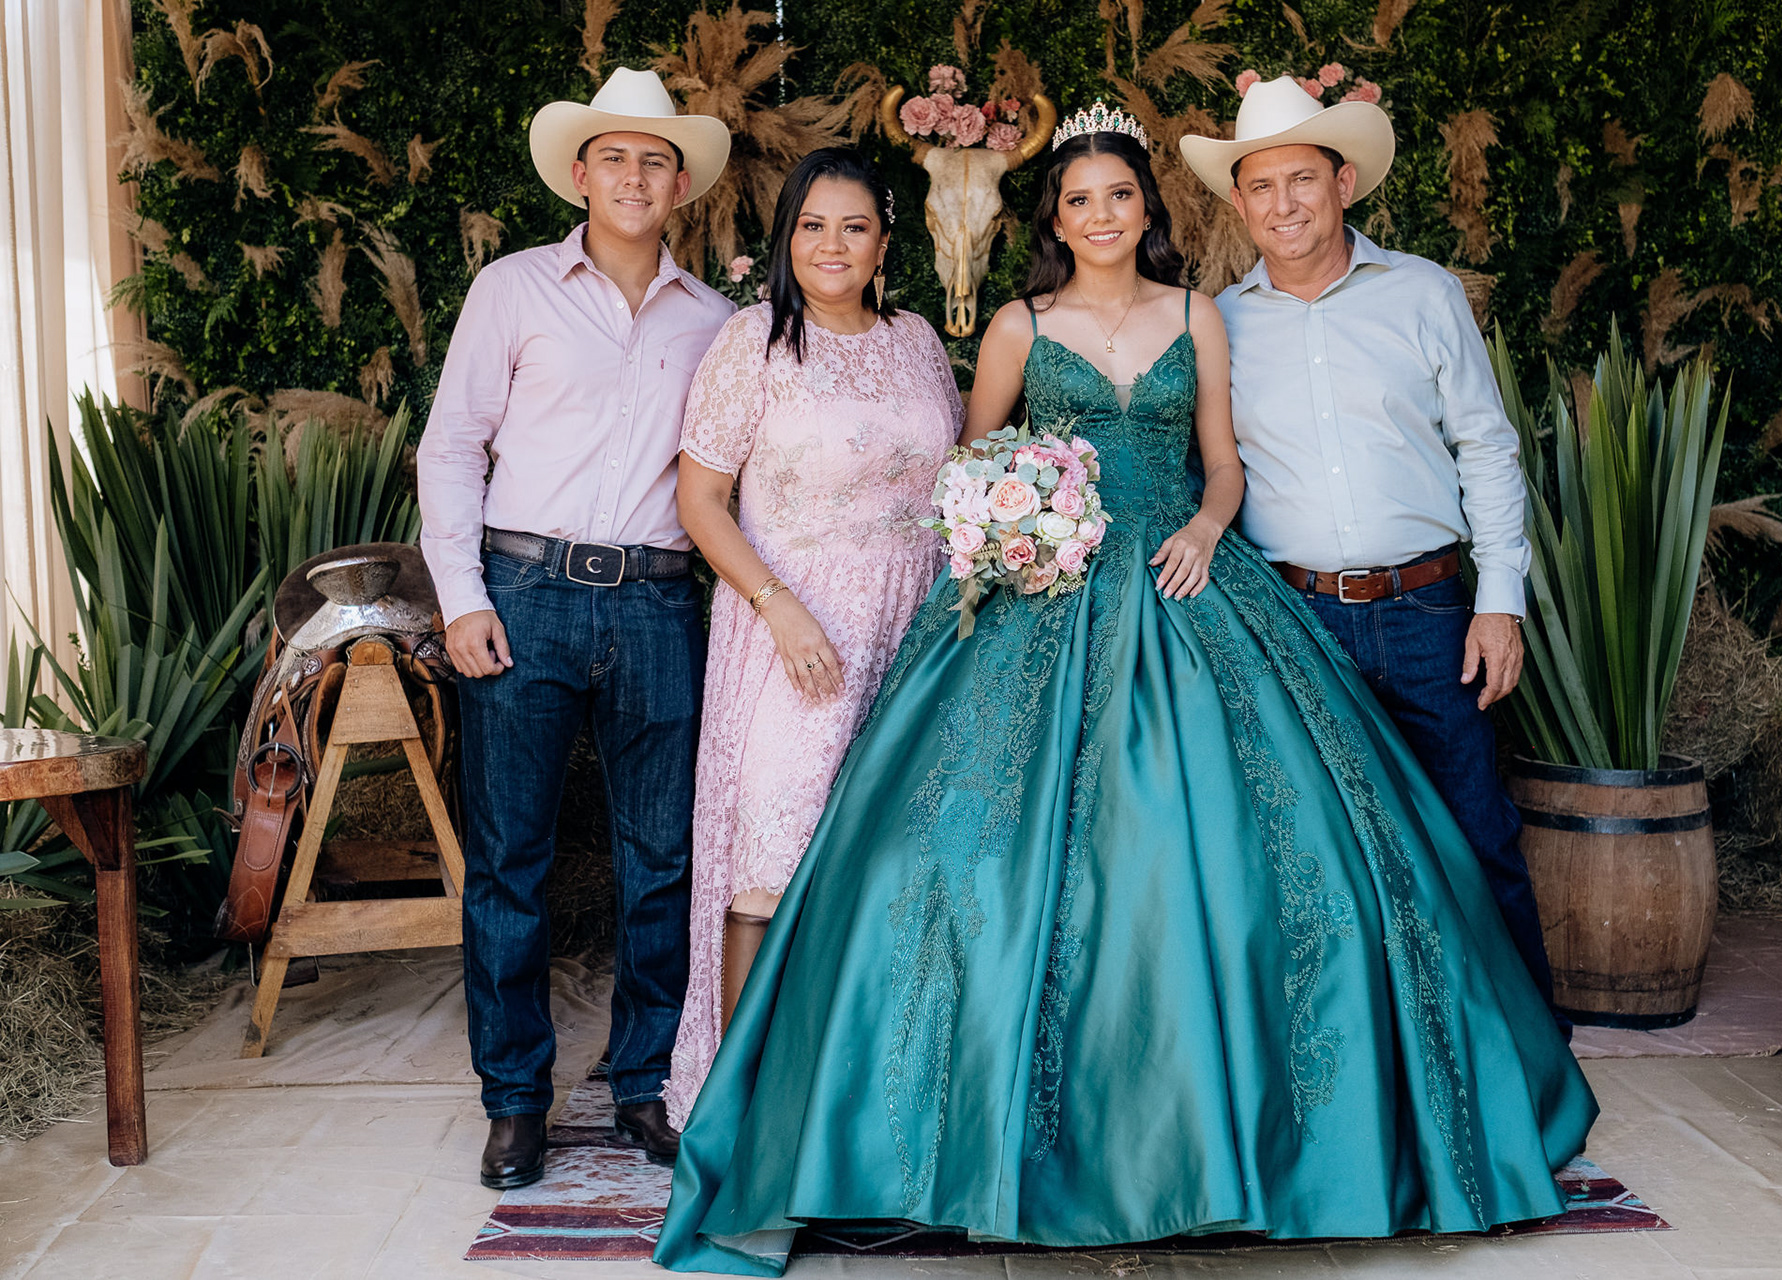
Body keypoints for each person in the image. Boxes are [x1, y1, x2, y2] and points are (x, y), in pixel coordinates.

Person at [650, 103, 1596, 1273]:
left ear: (1149, 209)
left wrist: (1204, 525)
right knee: (951, 858)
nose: (1100, 215)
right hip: (1045, 598)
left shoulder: (1202, 314)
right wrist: (1018, 525)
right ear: (1054, 219)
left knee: (1282, 853)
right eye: (1078, 199)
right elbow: (966, 465)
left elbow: (1224, 462)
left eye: (1119, 196)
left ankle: (1289, 1131)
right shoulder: (1015, 324)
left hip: (1187, 581)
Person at [1180, 76, 1563, 1025]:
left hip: (1429, 612)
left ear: (1343, 182)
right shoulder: (1219, 324)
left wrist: (1499, 601)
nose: (1283, 205)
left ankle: (1532, 1056)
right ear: (1239, 204)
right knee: (1323, 850)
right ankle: (1378, 1064)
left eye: (1302, 180)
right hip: (1293, 618)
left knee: (1475, 831)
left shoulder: (1424, 293)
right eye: (1261, 187)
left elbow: (1487, 446)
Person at [416, 67, 734, 1190]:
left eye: (655, 160)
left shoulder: (720, 322)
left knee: (662, 860)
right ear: (581, 175)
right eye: (615, 158)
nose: (634, 177)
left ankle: (646, 1082)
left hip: (659, 601)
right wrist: (463, 597)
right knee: (510, 861)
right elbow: (453, 445)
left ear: (681, 183)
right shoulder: (512, 289)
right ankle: (514, 1101)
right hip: (525, 593)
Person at [663, 149, 962, 1128]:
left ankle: (858, 1105)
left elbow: (952, 483)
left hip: (911, 632)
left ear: (884, 242)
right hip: (793, 633)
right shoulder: (752, 340)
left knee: (886, 860)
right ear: (787, 236)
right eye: (812, 226)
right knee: (774, 850)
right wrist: (777, 604)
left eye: (854, 227)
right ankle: (743, 1116)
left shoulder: (917, 340)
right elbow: (700, 500)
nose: (832, 245)